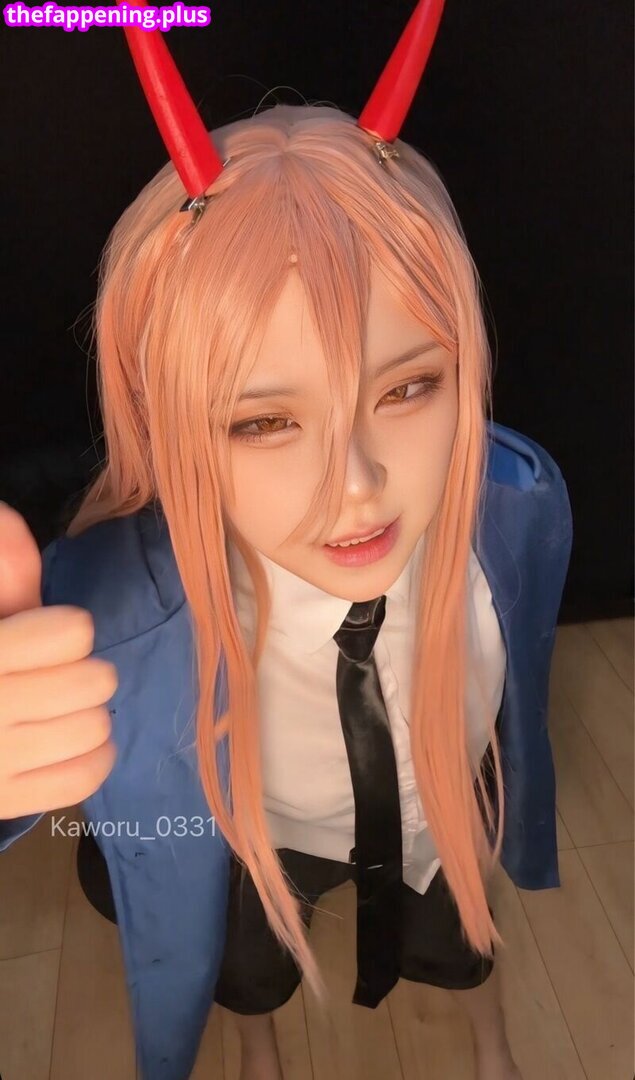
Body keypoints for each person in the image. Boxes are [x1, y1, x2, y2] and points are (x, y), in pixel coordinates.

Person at [0, 3, 573, 1078]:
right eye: (263, 421)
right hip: (244, 828)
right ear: (166, 418)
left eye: (406, 388)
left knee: (465, 936)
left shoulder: (520, 503)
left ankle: (490, 1047)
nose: (353, 487)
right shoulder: (113, 607)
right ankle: (257, 1049)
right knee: (245, 969)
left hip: (439, 804)